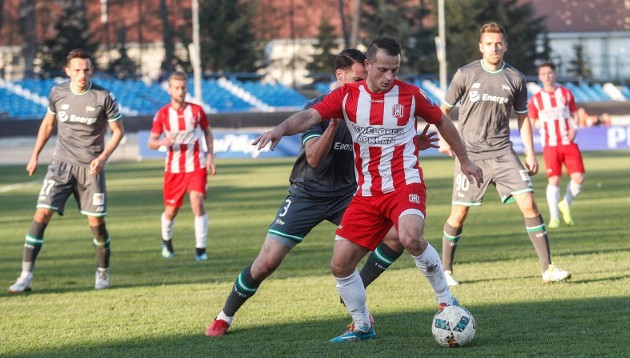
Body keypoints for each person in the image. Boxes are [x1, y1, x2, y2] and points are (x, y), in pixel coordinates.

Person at [252, 36, 483, 342]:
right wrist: (280, 129)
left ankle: (446, 300)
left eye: (395, 70)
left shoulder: (410, 95)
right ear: (369, 65)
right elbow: (310, 116)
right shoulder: (348, 96)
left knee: (410, 236)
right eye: (384, 70)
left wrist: (465, 160)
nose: (390, 77)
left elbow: (442, 120)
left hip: (404, 183)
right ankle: (363, 325)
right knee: (340, 264)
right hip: (367, 193)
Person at [205, 48, 440, 337]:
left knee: (398, 237)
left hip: (348, 193)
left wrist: (414, 143)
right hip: (308, 193)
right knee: (267, 262)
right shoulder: (320, 107)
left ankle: (356, 294)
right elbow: (314, 159)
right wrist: (333, 124)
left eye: (365, 77)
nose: (362, 83)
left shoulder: (367, 101)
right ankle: (224, 316)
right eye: (356, 78)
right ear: (339, 75)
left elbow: (381, 144)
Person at [437, 22, 571, 286]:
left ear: (505, 46)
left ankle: (548, 269)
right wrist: (445, 139)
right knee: (459, 214)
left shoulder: (516, 78)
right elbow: (442, 111)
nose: (494, 48)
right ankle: (445, 272)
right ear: (481, 46)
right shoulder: (466, 74)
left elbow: (524, 118)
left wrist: (531, 153)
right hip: (471, 154)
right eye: (489, 43)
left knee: (529, 203)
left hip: (502, 152)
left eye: (498, 43)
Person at [9, 48, 125, 293]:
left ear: (91, 70)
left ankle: (102, 271)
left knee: (96, 224)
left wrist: (103, 157)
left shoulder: (104, 97)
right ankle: (25, 276)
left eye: (86, 69)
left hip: (90, 169)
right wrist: (34, 156)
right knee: (41, 215)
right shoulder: (58, 93)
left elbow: (118, 132)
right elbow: (48, 124)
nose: (82, 74)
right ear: (68, 71)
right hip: (60, 166)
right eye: (77, 70)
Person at [148, 71, 216, 261]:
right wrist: (162, 142)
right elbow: (151, 142)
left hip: (196, 165)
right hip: (173, 169)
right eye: (176, 88)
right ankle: (167, 242)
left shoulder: (196, 111)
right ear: (169, 90)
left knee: (197, 204)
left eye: (183, 87)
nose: (180, 91)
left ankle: (201, 250)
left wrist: (210, 156)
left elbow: (208, 133)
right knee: (171, 211)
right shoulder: (162, 114)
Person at [528, 61, 585, 228]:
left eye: (550, 73)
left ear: (555, 74)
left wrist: (574, 128)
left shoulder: (566, 94)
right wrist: (529, 145)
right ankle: (554, 217)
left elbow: (575, 114)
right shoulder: (536, 99)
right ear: (540, 77)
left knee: (579, 177)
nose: (547, 76)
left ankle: (565, 203)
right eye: (543, 74)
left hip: (568, 141)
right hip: (550, 145)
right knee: (554, 180)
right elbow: (530, 123)